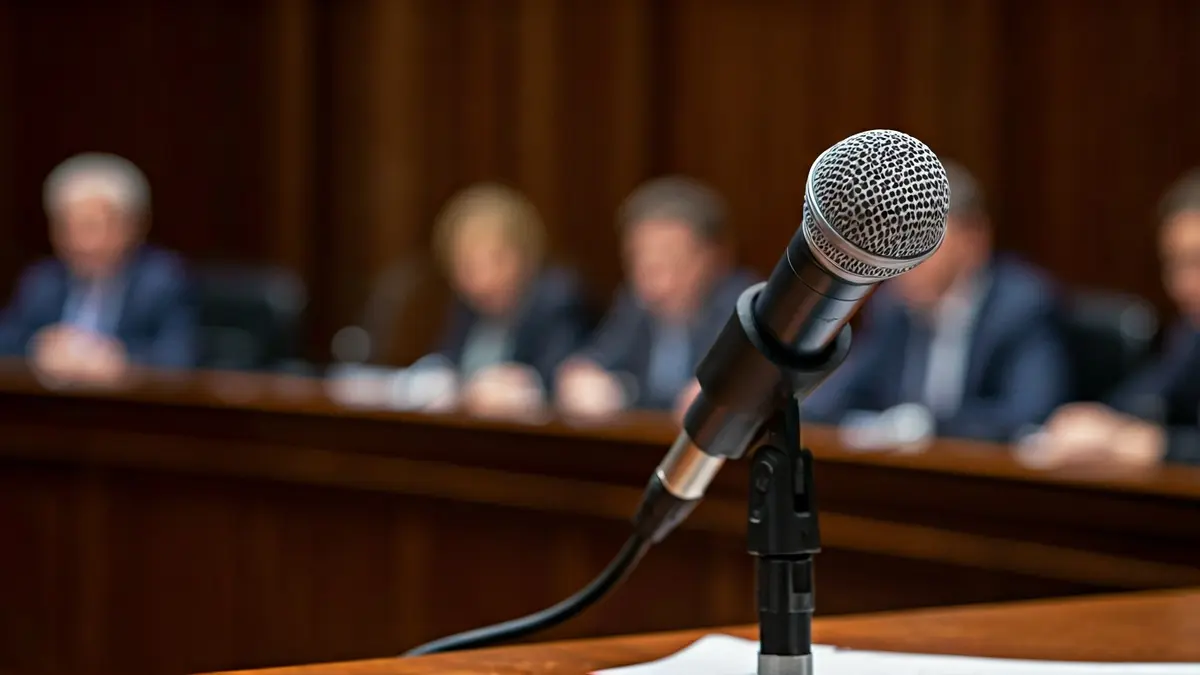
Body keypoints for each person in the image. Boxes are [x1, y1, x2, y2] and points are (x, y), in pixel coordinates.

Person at [802, 160, 1071, 443]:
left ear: (973, 241)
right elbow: (836, 399)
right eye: (892, 235)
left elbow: (1028, 416)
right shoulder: (891, 307)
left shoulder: (1022, 307)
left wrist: (923, 426)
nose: (899, 253)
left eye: (918, 235)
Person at [1025, 169, 1200, 468]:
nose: (1182, 285)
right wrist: (1100, 421)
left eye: (1196, 261)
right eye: (1173, 264)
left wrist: (1159, 445)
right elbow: (1149, 392)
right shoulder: (1191, 333)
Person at [556, 176, 757, 419]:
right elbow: (597, 359)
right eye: (641, 265)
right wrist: (580, 375)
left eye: (673, 263)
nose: (656, 285)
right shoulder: (633, 304)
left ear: (715, 258)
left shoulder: (750, 309)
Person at [0, 153, 198, 384]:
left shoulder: (162, 281)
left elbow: (179, 360)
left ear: (133, 226)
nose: (81, 243)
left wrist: (120, 361)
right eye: (67, 228)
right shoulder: (42, 279)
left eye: (92, 227)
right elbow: (6, 341)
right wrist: (37, 347)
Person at [425, 183, 590, 417]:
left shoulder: (557, 301)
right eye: (467, 267)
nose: (482, 280)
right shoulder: (466, 308)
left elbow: (557, 381)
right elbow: (445, 365)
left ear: (526, 256)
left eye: (496, 261)